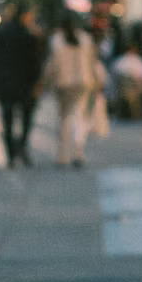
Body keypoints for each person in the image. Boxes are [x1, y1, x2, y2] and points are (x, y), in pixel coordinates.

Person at [0, 5, 43, 166]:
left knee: (7, 119)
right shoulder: (29, 35)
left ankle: (10, 154)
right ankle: (21, 146)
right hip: (25, 84)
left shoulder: (0, 34)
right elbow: (35, 62)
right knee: (26, 118)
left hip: (5, 84)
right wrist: (37, 83)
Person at [43, 13, 106, 167]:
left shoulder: (57, 40)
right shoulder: (85, 39)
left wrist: (45, 81)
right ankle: (78, 151)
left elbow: (52, 64)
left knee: (64, 119)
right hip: (83, 82)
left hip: (63, 83)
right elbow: (93, 62)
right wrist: (98, 79)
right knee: (80, 117)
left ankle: (62, 155)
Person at [112, 36, 142, 119]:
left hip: (122, 89)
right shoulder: (137, 60)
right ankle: (138, 113)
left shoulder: (120, 61)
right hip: (134, 89)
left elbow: (116, 72)